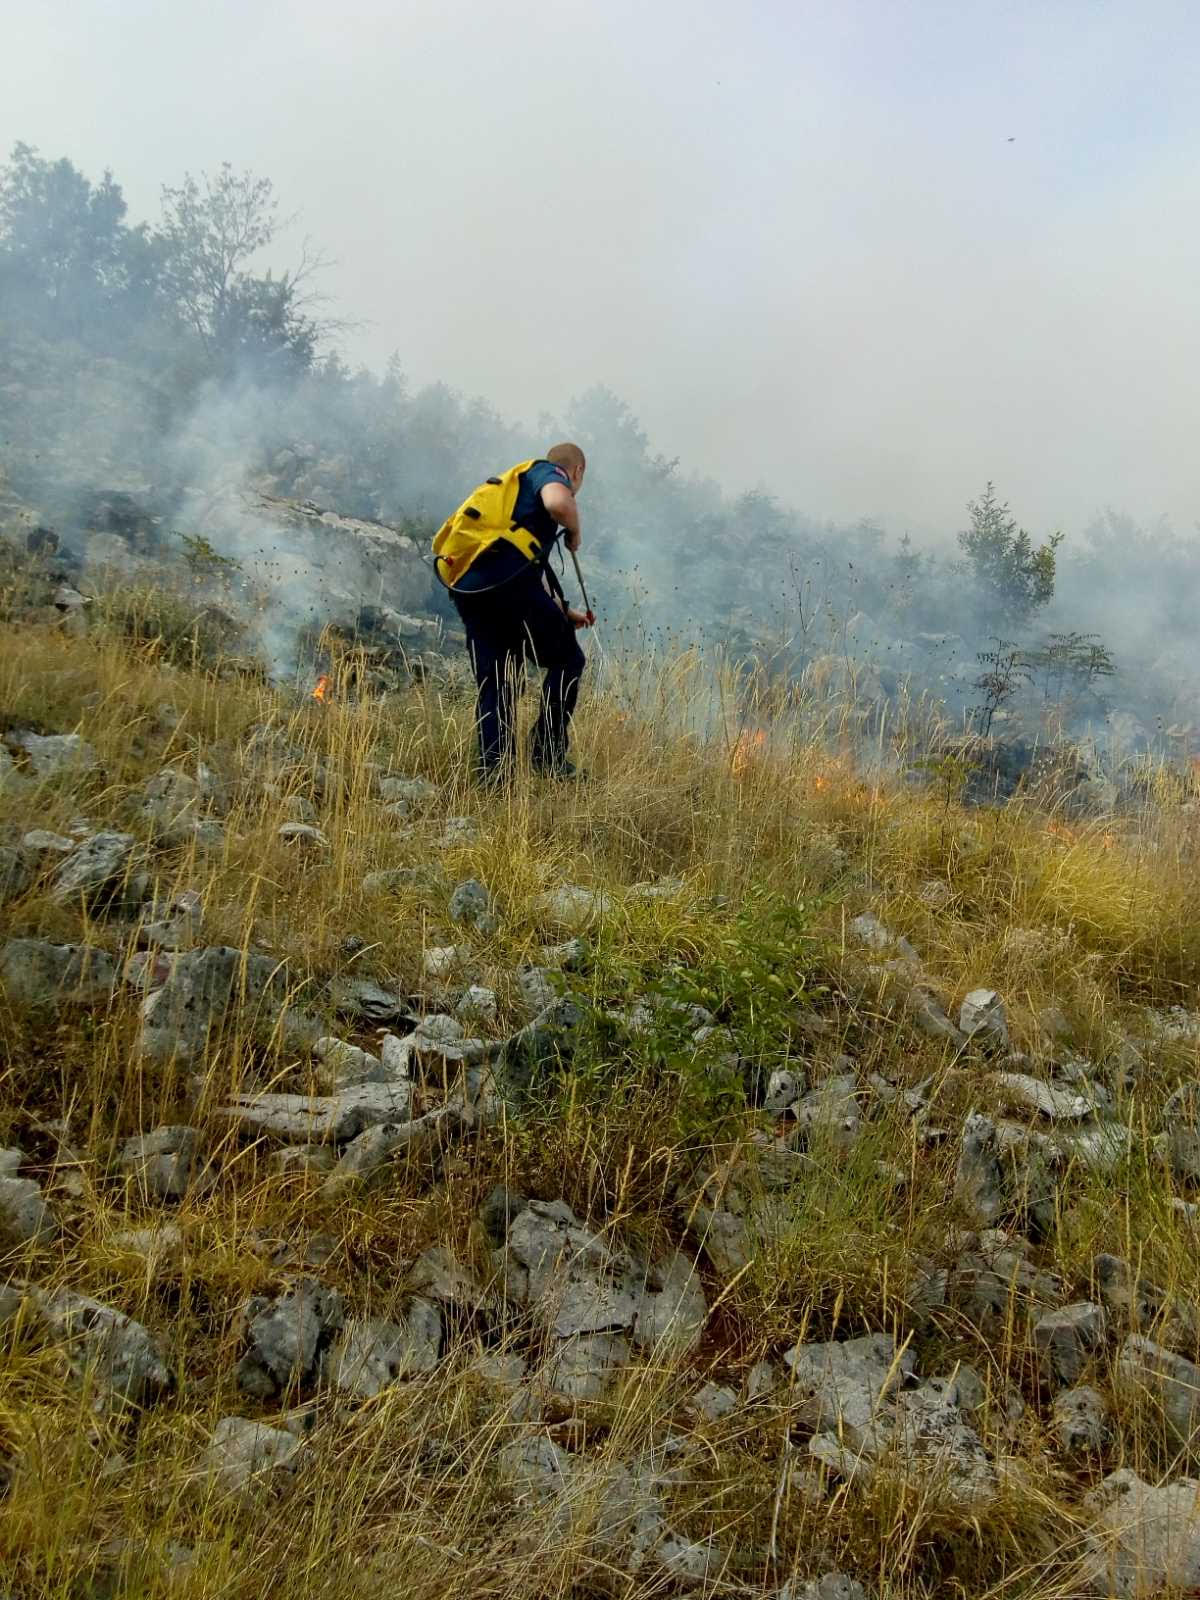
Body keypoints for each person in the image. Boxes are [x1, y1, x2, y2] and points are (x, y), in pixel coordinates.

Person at [440, 443, 591, 782]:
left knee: (497, 682)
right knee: (569, 660)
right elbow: (558, 503)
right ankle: (547, 755)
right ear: (578, 471)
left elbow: (527, 570)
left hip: (472, 590)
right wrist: (575, 531)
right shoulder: (547, 472)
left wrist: (565, 611)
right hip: (509, 589)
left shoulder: (513, 497)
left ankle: (496, 777)